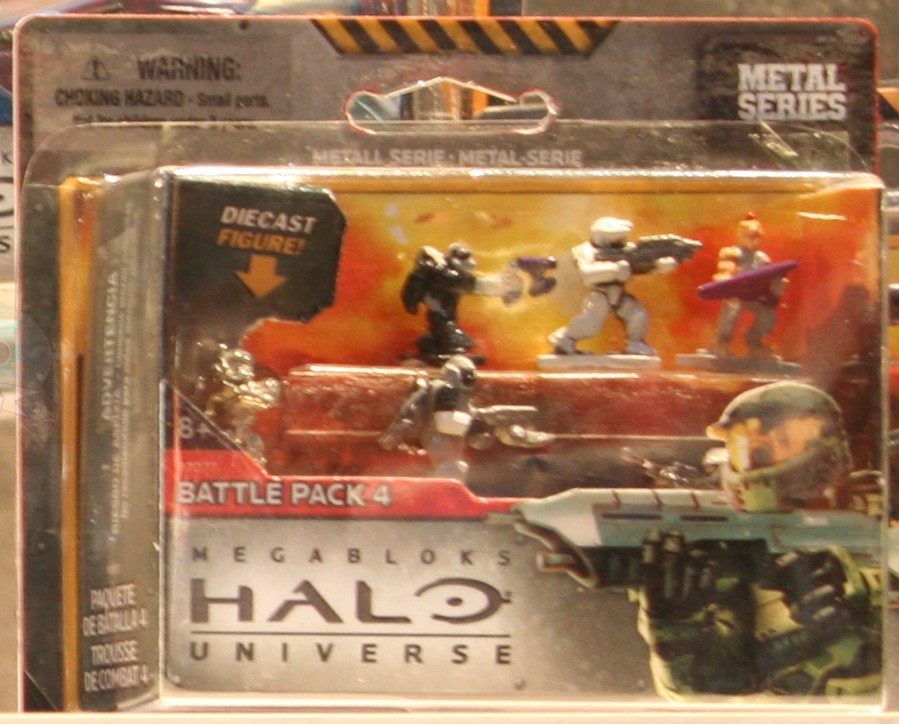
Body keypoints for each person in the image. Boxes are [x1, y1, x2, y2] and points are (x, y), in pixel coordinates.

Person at [636, 382, 882, 700]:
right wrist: (677, 629)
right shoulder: (730, 554)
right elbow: (704, 697)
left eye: (782, 442)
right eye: (744, 448)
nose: (756, 459)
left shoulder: (872, 523)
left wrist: (853, 609)